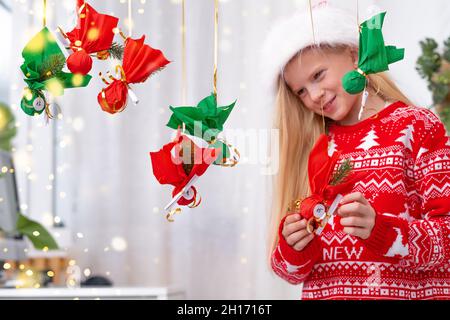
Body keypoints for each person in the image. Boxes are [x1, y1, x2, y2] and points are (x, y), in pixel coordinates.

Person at [261, 4, 450, 300]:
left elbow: (446, 242)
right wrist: (293, 245)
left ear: (352, 53)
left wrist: (381, 231)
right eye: (300, 91)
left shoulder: (418, 127)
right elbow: (288, 271)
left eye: (318, 75)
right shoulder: (314, 146)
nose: (313, 96)